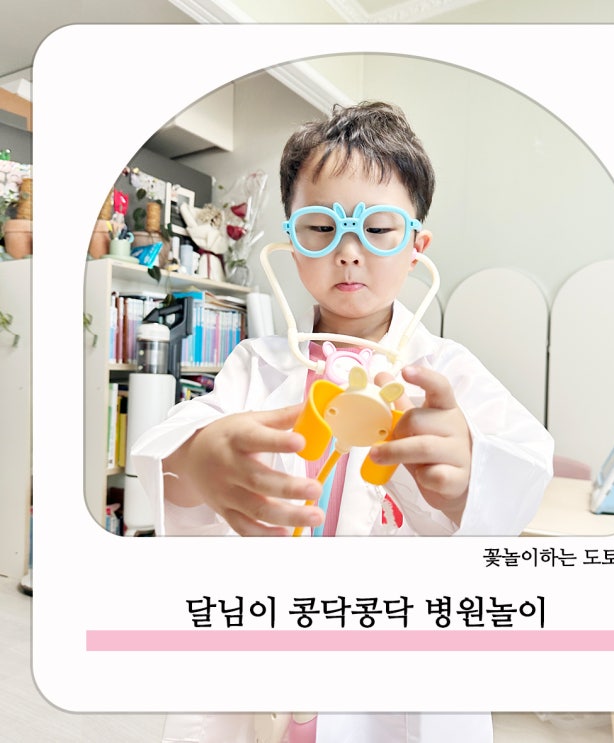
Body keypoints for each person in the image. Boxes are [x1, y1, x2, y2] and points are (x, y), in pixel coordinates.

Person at [132, 101, 554, 743]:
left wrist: (470, 470)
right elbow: (171, 454)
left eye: (378, 228)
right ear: (291, 244)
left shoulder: (448, 372)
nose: (349, 252)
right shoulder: (256, 365)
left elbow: (525, 463)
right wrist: (197, 458)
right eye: (321, 227)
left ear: (416, 247)